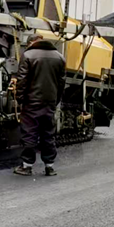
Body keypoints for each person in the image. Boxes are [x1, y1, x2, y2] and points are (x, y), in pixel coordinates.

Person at [13, 34, 66, 177]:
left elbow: (22, 80)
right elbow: (61, 83)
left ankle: (27, 166)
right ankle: (50, 166)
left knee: (30, 133)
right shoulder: (59, 57)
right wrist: (56, 100)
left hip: (32, 103)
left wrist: (19, 99)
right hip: (49, 102)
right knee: (48, 134)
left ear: (31, 42)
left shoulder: (28, 55)